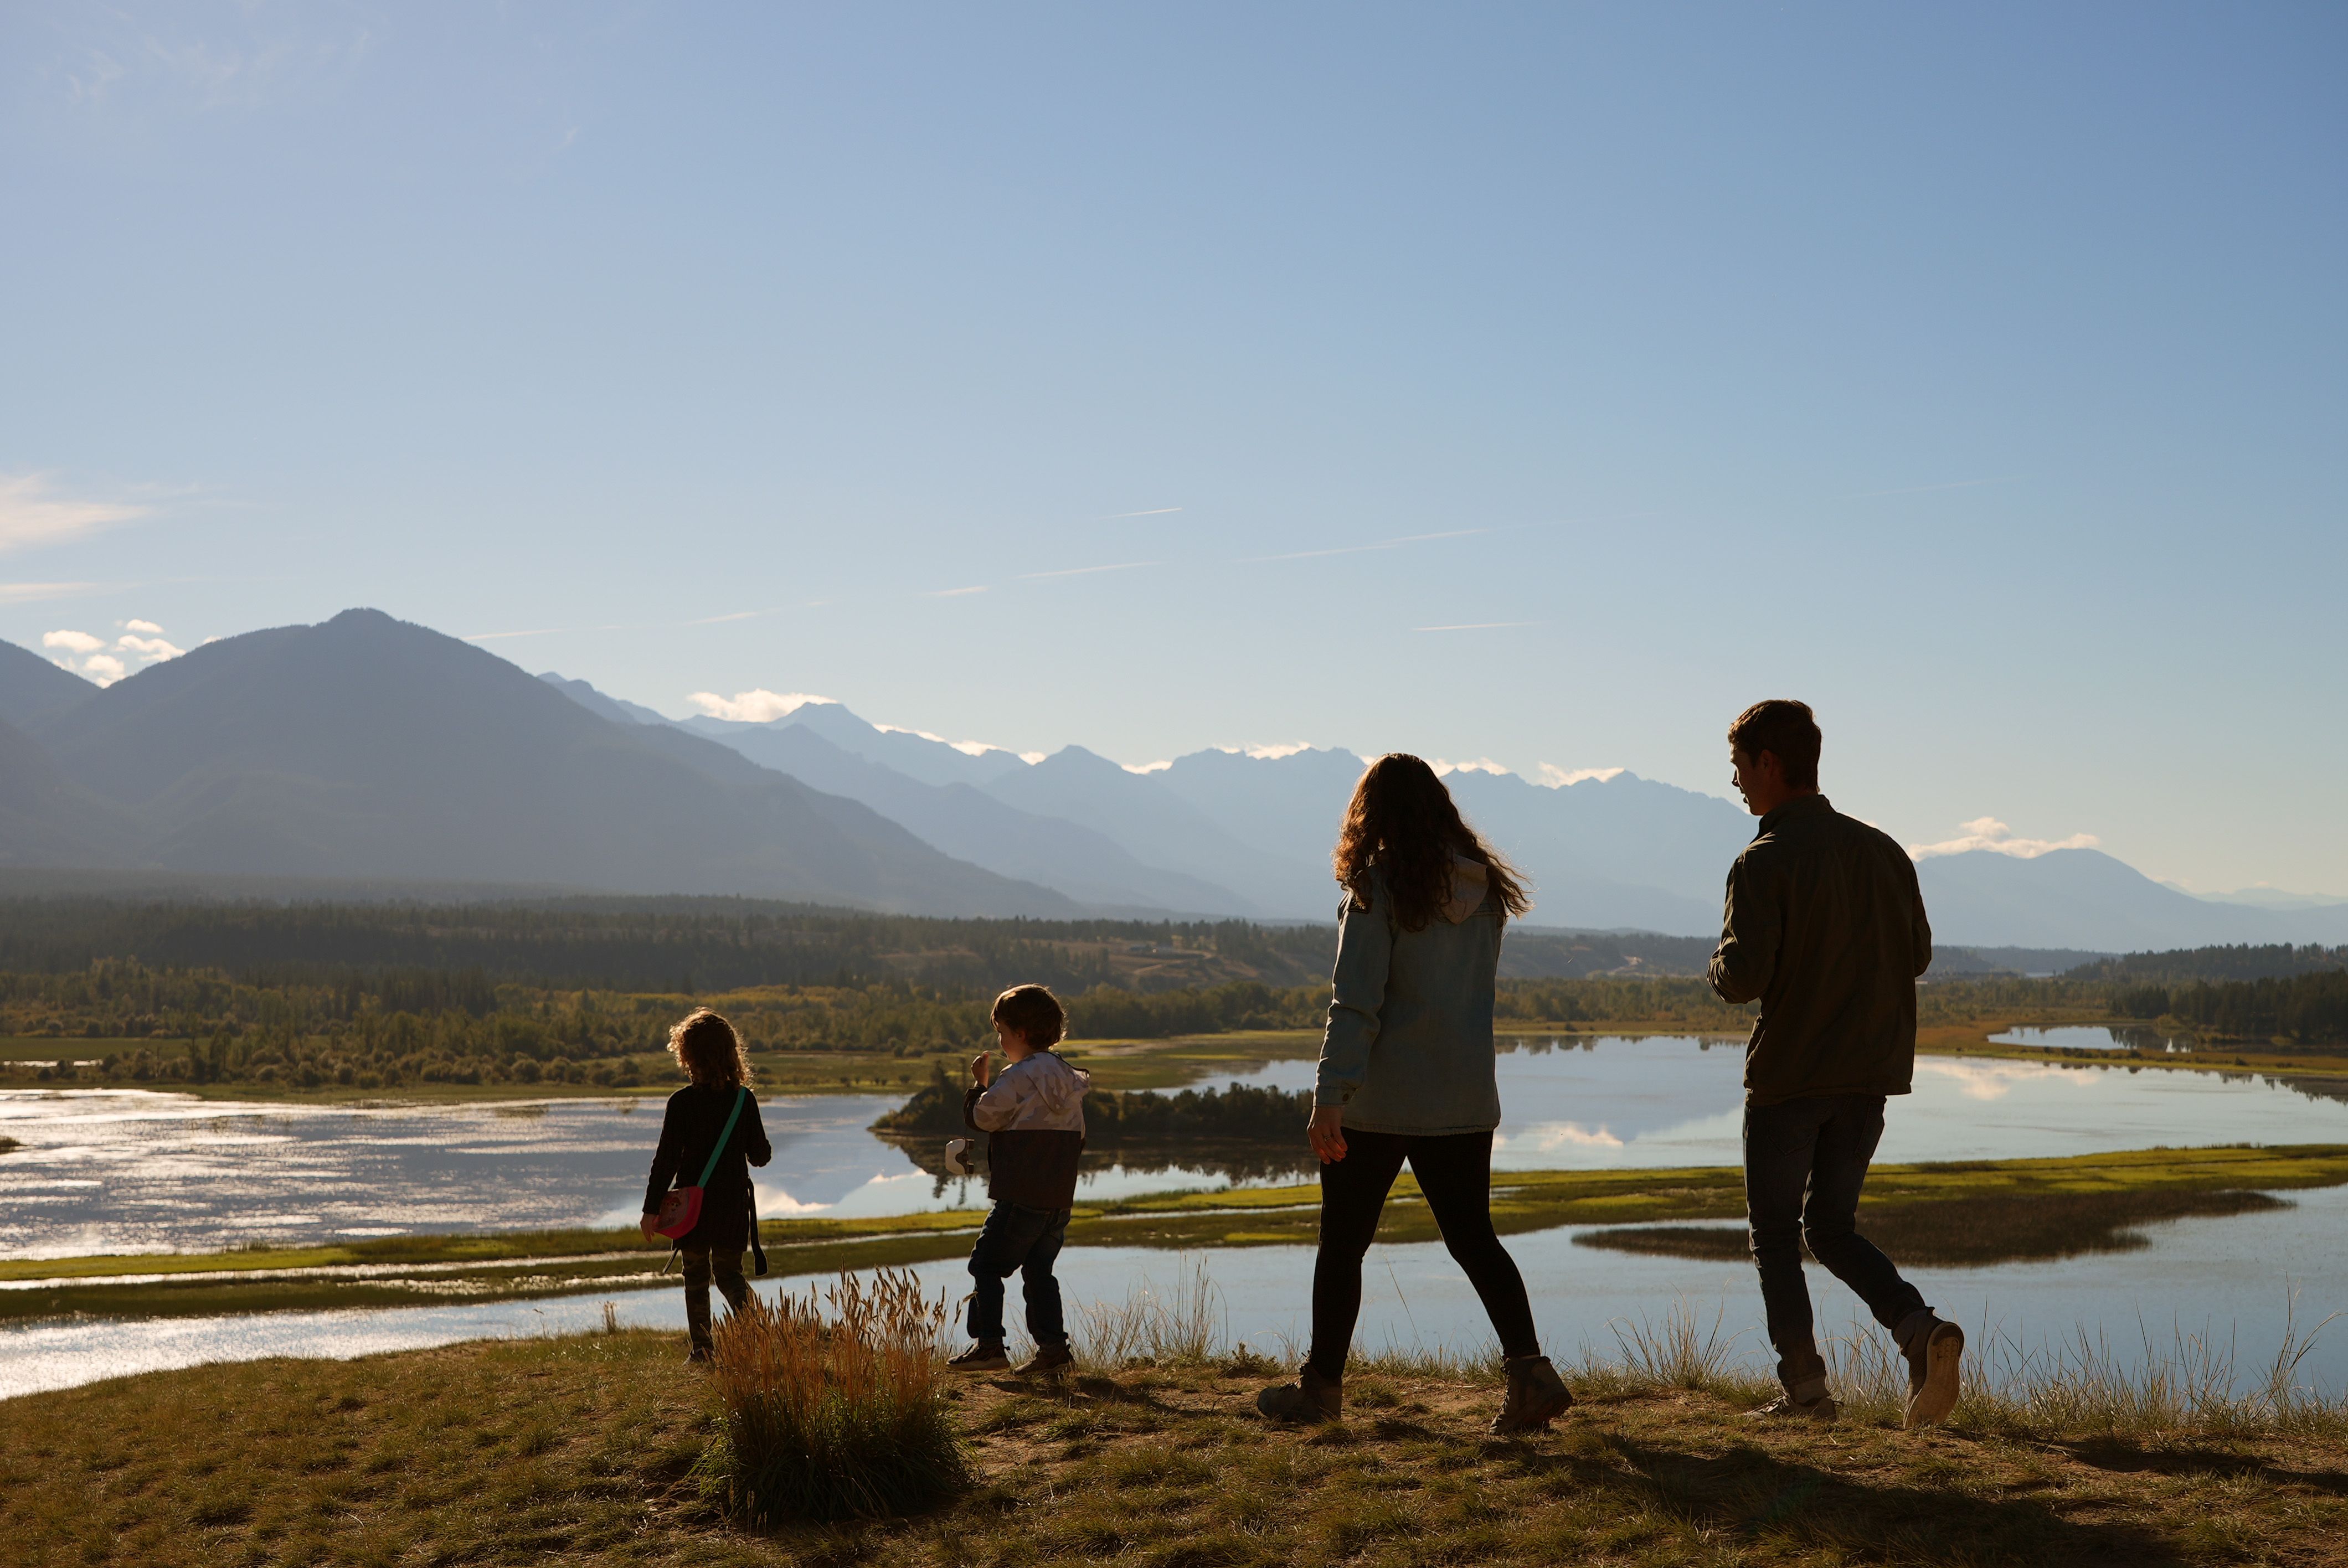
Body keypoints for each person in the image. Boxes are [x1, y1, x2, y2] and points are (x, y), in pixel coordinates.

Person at [1257, 753, 1574, 1435]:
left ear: (1370, 814)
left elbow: (1355, 1004)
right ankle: (1530, 1373)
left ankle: (1321, 1391)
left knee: (1342, 1248)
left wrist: (1329, 1093)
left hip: (1377, 1101)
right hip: (1463, 1098)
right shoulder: (1484, 891)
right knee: (1475, 1240)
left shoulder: (1377, 890)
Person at [1707, 699, 1964, 1427]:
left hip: (1789, 1079)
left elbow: (1745, 976)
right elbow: (1915, 956)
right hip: (1869, 1079)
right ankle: (1919, 1330)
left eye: (1738, 769)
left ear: (1769, 765)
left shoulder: (1762, 862)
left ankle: (1806, 1392)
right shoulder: (1882, 851)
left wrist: (1717, 969)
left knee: (1776, 1236)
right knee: (1833, 1228)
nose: (1736, 785)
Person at [948, 983, 1089, 1376]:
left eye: (1002, 1034)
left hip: (1020, 1194)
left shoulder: (1019, 1076)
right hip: (1059, 1199)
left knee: (985, 1266)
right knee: (1038, 1271)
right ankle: (1054, 1352)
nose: (1001, 1041)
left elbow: (983, 1117)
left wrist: (979, 1085)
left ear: (1021, 1035)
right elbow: (1078, 1137)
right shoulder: (1067, 1078)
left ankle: (989, 1345)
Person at [639, 1008, 773, 1363]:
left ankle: (703, 1350)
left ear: (688, 1056)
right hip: (731, 1208)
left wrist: (651, 1210)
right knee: (730, 1275)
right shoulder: (744, 1100)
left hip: (692, 1209)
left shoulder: (681, 1104)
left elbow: (665, 1161)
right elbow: (760, 1156)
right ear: (731, 1053)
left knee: (695, 1277)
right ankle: (760, 1340)